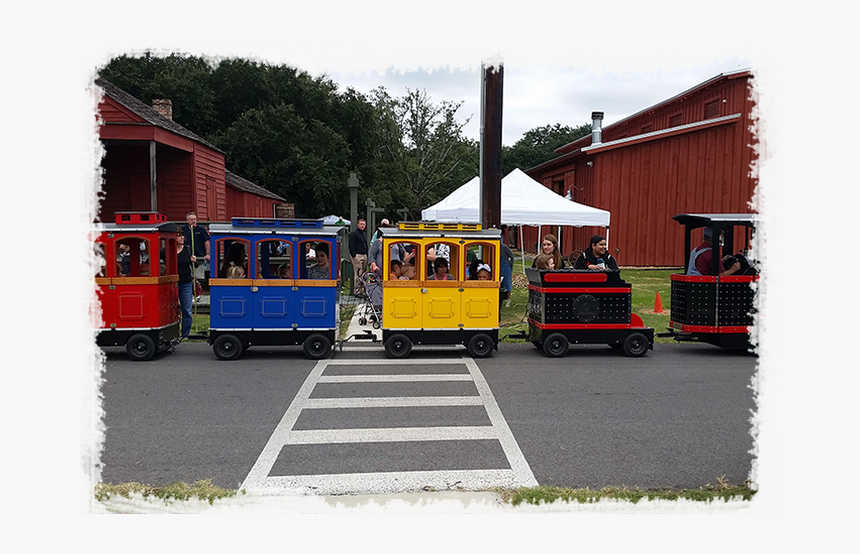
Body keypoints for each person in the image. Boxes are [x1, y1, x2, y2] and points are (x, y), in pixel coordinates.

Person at [161, 232, 196, 338]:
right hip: (171, 283)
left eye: (182, 235)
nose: (182, 237)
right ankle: (172, 334)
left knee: (187, 310)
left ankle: (185, 334)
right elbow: (150, 260)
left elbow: (194, 265)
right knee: (171, 309)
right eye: (179, 235)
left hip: (186, 283)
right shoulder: (165, 251)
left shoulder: (188, 249)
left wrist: (194, 261)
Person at [182, 212, 210, 283]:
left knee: (199, 278)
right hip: (187, 258)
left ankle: (197, 292)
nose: (193, 221)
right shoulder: (183, 229)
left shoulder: (201, 229)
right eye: (191, 219)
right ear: (187, 221)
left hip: (200, 257)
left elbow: (206, 242)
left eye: (195, 219)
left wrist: (208, 254)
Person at [349, 218, 369, 293]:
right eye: (361, 224)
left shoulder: (364, 234)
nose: (362, 226)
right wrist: (354, 255)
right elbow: (351, 245)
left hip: (364, 255)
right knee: (358, 273)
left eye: (364, 224)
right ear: (358, 224)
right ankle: (357, 291)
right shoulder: (354, 234)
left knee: (364, 273)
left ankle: (362, 290)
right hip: (357, 255)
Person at [500, 225, 515, 306]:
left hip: (505, 267)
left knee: (507, 284)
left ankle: (508, 300)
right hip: (497, 266)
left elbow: (511, 256)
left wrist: (510, 266)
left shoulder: (504, 247)